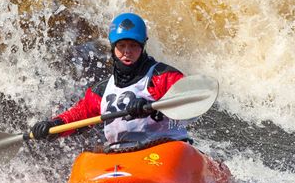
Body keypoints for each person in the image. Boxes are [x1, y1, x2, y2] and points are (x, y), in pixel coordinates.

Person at [31, 12, 190, 149]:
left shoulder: (163, 76)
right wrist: (54, 125)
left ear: (143, 46)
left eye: (133, 46)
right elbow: (79, 114)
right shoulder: (102, 90)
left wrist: (152, 107)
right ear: (113, 48)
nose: (127, 52)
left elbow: (190, 105)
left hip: (164, 149)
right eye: (121, 45)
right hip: (123, 154)